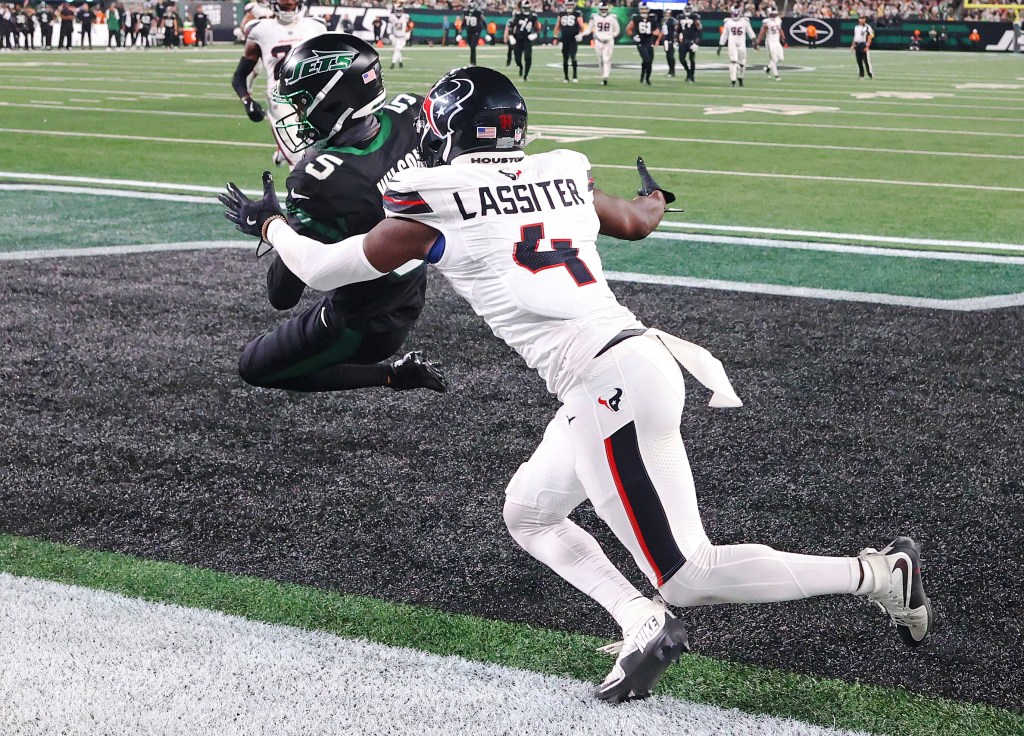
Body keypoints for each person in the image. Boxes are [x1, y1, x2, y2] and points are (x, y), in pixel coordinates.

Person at [222, 65, 934, 704]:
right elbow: (640, 220)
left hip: (608, 381)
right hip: (623, 366)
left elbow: (320, 269)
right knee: (529, 513)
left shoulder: (431, 198)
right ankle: (640, 621)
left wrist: (271, 223)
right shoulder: (563, 174)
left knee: (688, 570)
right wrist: (656, 193)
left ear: (448, 131)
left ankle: (877, 575)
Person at [230, 34, 445, 395]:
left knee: (255, 365)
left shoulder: (322, 178)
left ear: (333, 102)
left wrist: (271, 224)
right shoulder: (411, 115)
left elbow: (281, 293)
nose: (295, 114)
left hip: (365, 323)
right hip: (410, 288)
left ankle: (393, 375)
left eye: (301, 103)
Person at [230, 0, 325, 168]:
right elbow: (239, 76)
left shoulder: (316, 26)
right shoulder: (260, 30)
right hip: (281, 100)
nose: (289, 2)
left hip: (314, 98)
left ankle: (282, 152)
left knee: (325, 153)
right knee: (301, 163)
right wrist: (247, 101)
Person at [718, 4, 755, 87]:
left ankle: (740, 78)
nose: (735, 15)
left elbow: (750, 32)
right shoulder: (728, 22)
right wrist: (720, 45)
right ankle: (733, 80)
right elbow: (724, 35)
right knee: (733, 61)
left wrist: (754, 41)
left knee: (742, 63)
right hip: (732, 44)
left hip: (742, 44)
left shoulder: (744, 21)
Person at [626, 2, 659, 86]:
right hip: (641, 42)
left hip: (649, 41)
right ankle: (644, 77)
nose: (644, 11)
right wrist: (634, 36)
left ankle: (647, 78)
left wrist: (655, 33)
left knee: (649, 61)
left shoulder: (652, 18)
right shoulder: (636, 18)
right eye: (642, 9)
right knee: (646, 59)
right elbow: (628, 29)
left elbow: (657, 30)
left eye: (645, 9)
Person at [506, 0, 539, 82]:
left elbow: (537, 28)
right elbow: (511, 26)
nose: (526, 9)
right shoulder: (517, 15)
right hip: (518, 39)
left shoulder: (533, 16)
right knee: (517, 58)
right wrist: (510, 36)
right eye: (525, 8)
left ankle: (525, 75)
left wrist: (535, 34)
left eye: (528, 8)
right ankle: (520, 66)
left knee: (528, 56)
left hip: (527, 39)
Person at [590, 1, 619, 86]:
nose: (603, 11)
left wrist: (611, 36)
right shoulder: (594, 17)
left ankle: (606, 77)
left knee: (606, 59)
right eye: (602, 10)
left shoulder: (612, 17)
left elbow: (617, 30)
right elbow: (589, 28)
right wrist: (582, 34)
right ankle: (603, 76)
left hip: (608, 41)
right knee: (600, 59)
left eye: (605, 9)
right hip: (598, 41)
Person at [554, 0, 582, 83]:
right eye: (568, 4)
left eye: (571, 5)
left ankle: (574, 76)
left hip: (573, 39)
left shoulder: (577, 14)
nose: (569, 6)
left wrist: (580, 34)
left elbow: (581, 25)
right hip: (564, 39)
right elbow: (558, 25)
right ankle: (566, 77)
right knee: (565, 58)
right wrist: (556, 37)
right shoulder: (561, 14)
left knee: (573, 57)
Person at [756, 6, 785, 80]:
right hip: (770, 42)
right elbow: (762, 33)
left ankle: (768, 68)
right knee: (773, 59)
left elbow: (779, 29)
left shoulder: (778, 20)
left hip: (777, 41)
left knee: (781, 58)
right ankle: (776, 75)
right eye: (773, 14)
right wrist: (758, 41)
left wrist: (782, 37)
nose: (775, 16)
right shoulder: (767, 22)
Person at [679, 10, 701, 83]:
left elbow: (699, 29)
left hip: (692, 40)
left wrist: (696, 42)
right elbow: (678, 29)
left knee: (691, 59)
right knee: (681, 58)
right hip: (683, 41)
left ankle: (692, 76)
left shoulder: (694, 17)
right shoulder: (680, 17)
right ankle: (688, 72)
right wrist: (676, 39)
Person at [461, 0, 486, 64]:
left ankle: (473, 63)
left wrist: (487, 32)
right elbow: (463, 22)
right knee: (471, 46)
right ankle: (472, 63)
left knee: (473, 46)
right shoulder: (466, 12)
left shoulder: (477, 12)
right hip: (469, 32)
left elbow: (484, 20)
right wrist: (459, 33)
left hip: (476, 31)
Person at [388, 2, 410, 69]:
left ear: (402, 11)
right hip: (395, 36)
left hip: (402, 37)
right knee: (397, 50)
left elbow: (410, 26)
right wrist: (389, 34)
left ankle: (393, 63)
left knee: (397, 49)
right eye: (397, 11)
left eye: (400, 11)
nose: (398, 12)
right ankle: (400, 62)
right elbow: (389, 26)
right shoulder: (392, 17)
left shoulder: (406, 17)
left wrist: (408, 34)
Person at [660, 10, 677, 78]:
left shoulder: (672, 20)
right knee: (667, 56)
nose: (667, 15)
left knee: (671, 56)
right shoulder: (663, 20)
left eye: (668, 13)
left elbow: (676, 30)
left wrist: (675, 40)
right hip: (665, 40)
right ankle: (670, 70)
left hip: (671, 40)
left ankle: (672, 71)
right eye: (666, 13)